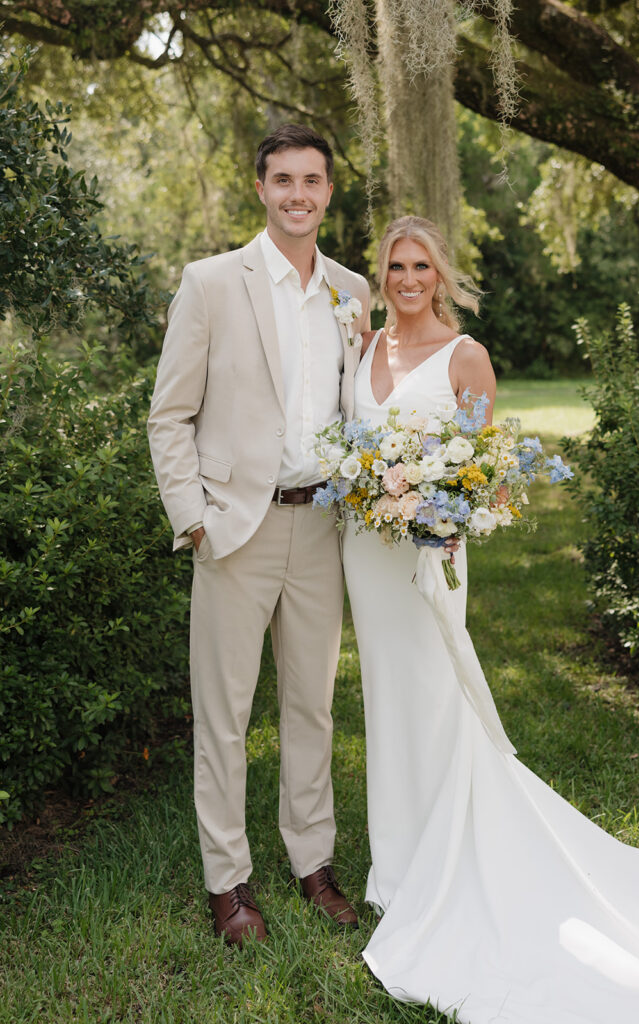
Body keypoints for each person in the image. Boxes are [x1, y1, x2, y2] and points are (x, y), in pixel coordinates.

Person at [342, 215, 639, 1022]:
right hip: (363, 551)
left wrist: (441, 517)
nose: (408, 279)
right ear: (380, 274)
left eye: (421, 266)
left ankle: (448, 866)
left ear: (440, 275)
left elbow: (483, 474)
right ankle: (397, 869)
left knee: (434, 691)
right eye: (395, 266)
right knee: (384, 696)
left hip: (427, 554)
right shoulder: (363, 350)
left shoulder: (465, 355)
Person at [147, 124, 370, 945]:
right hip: (234, 531)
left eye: (312, 181)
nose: (298, 195)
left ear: (329, 192)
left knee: (312, 707)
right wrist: (194, 520)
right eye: (283, 180)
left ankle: (314, 864)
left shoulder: (351, 293)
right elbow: (169, 413)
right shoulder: (211, 283)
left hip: (321, 529)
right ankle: (229, 882)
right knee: (226, 715)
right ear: (261, 189)